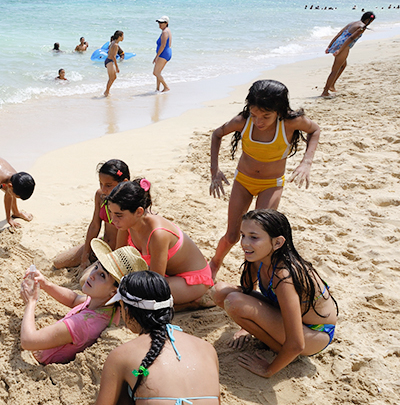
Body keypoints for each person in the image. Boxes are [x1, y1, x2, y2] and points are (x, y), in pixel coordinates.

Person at [57, 271, 222, 405]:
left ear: (127, 311)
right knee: (142, 380)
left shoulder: (123, 355)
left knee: (128, 382)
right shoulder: (207, 349)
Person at [208, 79, 321, 279]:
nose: (258, 121)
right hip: (243, 181)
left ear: (279, 111)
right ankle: (215, 263)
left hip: (271, 184)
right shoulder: (243, 121)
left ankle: (251, 279)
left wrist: (306, 162)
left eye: (266, 116)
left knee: (258, 237)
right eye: (254, 115)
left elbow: (315, 130)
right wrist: (214, 170)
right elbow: (217, 134)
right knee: (232, 236)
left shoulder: (290, 122)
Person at [214, 209, 338, 378]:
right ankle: (277, 344)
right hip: (288, 316)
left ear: (278, 242)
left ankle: (283, 352)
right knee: (220, 292)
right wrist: (245, 328)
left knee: (235, 302)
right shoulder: (257, 258)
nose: (244, 243)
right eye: (243, 235)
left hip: (315, 333)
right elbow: (248, 290)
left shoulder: (284, 276)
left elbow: (297, 343)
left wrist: (268, 370)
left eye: (254, 237)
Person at [20, 240, 147, 364]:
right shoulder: (107, 306)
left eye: (102, 275)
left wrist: (31, 302)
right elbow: (74, 300)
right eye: (96, 267)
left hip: (41, 357)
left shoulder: (84, 323)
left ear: (114, 292)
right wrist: (46, 284)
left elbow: (27, 341)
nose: (92, 275)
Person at [109, 179, 213, 308]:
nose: (113, 220)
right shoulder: (126, 224)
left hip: (190, 280)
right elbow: (117, 260)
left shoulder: (158, 234)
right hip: (162, 274)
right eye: (111, 213)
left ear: (139, 212)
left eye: (118, 215)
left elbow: (155, 284)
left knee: (141, 298)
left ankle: (188, 304)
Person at [54, 159, 130, 270]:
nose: (103, 189)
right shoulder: (100, 195)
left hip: (118, 251)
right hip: (102, 244)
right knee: (58, 262)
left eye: (108, 185)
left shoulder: (129, 203)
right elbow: (95, 225)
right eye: (101, 184)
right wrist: (85, 254)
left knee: (85, 278)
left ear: (124, 182)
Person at [322, 11, 375, 97]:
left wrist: (330, 45)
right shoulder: (362, 27)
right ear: (368, 20)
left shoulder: (353, 23)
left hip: (338, 43)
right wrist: (340, 50)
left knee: (343, 65)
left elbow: (339, 33)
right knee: (335, 70)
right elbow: (351, 38)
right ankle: (325, 91)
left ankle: (331, 85)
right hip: (344, 46)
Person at [154, 16, 172, 93]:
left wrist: (157, 56)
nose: (160, 24)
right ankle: (157, 89)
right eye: (159, 22)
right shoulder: (167, 30)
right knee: (158, 72)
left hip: (163, 54)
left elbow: (163, 45)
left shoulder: (164, 32)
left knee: (155, 72)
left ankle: (166, 87)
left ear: (166, 23)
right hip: (166, 53)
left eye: (161, 22)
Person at [103, 31, 124, 97]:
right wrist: (117, 67)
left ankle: (107, 91)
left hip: (108, 60)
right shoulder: (116, 45)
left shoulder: (113, 42)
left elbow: (109, 51)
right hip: (109, 61)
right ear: (119, 37)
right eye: (122, 36)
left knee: (113, 77)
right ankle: (106, 92)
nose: (123, 38)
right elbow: (114, 57)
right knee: (112, 78)